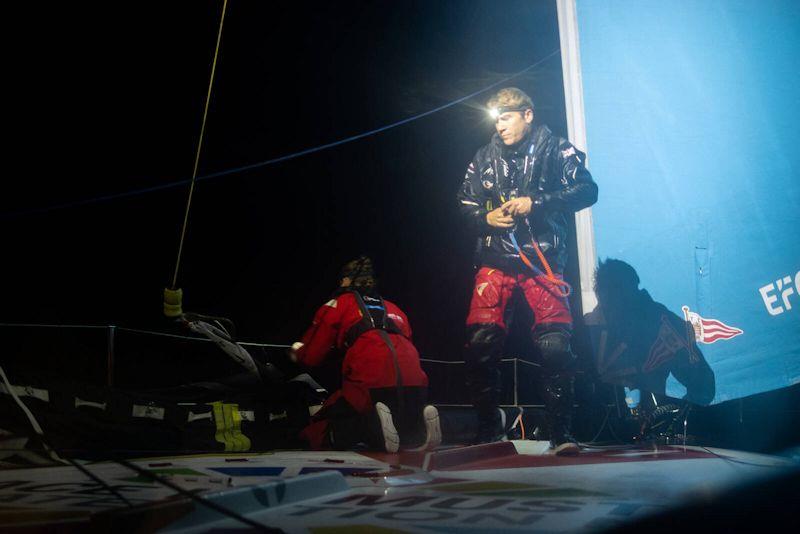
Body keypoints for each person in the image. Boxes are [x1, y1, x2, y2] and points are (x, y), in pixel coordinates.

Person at [457, 87, 598, 454]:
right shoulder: (483, 156)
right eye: (496, 119)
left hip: (543, 261)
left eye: (506, 117)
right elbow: (464, 203)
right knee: (479, 345)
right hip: (495, 262)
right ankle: (489, 428)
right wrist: (484, 217)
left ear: (528, 114)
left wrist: (536, 203)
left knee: (554, 347)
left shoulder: (557, 148)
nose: (500, 125)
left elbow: (587, 189)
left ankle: (561, 434)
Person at [291, 256, 440, 452]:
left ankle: (369, 426)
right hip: (415, 384)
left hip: (372, 382)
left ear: (345, 281)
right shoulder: (394, 308)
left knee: (322, 427)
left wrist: (296, 351)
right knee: (393, 409)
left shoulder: (338, 304)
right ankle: (416, 424)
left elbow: (311, 356)